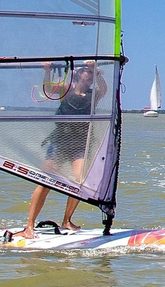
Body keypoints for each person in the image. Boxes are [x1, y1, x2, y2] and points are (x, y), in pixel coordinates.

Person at [21, 62, 107, 238]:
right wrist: (47, 70)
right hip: (60, 141)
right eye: (87, 73)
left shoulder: (93, 95)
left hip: (80, 143)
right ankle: (29, 225)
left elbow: (104, 88)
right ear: (79, 74)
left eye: (92, 74)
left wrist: (98, 72)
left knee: (79, 181)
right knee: (46, 182)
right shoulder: (65, 89)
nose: (90, 77)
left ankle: (66, 220)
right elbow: (47, 87)